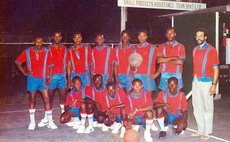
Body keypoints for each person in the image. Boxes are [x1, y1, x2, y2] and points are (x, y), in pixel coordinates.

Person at [15, 36, 57, 130]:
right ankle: (32, 122)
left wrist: (50, 78)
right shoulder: (27, 51)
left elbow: (51, 66)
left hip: (43, 79)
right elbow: (18, 62)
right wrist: (25, 72)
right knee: (32, 99)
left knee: (47, 99)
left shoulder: (47, 51)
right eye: (37, 42)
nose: (39, 44)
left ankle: (50, 121)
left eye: (41, 42)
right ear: (33, 42)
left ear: (43, 42)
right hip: (32, 79)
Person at [191, 29, 219, 140]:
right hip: (196, 81)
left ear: (205, 37)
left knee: (207, 107)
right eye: (197, 36)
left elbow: (216, 69)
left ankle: (207, 132)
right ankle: (200, 129)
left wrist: (214, 84)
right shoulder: (194, 50)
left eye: (201, 36)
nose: (199, 38)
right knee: (197, 106)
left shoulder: (211, 50)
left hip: (207, 82)